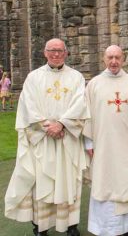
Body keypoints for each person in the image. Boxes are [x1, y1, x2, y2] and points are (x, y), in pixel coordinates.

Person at [4, 38, 89, 236]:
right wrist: (47, 127)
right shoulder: (33, 78)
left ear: (66, 53)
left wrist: (62, 124)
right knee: (42, 182)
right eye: (52, 50)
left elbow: (80, 104)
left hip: (67, 139)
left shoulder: (76, 77)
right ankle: (40, 226)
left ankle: (70, 225)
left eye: (60, 50)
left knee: (68, 181)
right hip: (42, 141)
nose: (56, 54)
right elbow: (28, 107)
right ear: (45, 52)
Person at [83, 45, 128, 236]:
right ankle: (102, 228)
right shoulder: (94, 84)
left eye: (117, 57)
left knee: (125, 183)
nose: (113, 61)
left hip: (127, 145)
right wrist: (89, 143)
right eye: (110, 57)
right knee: (104, 182)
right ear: (104, 59)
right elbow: (86, 115)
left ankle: (124, 228)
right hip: (102, 145)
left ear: (123, 59)